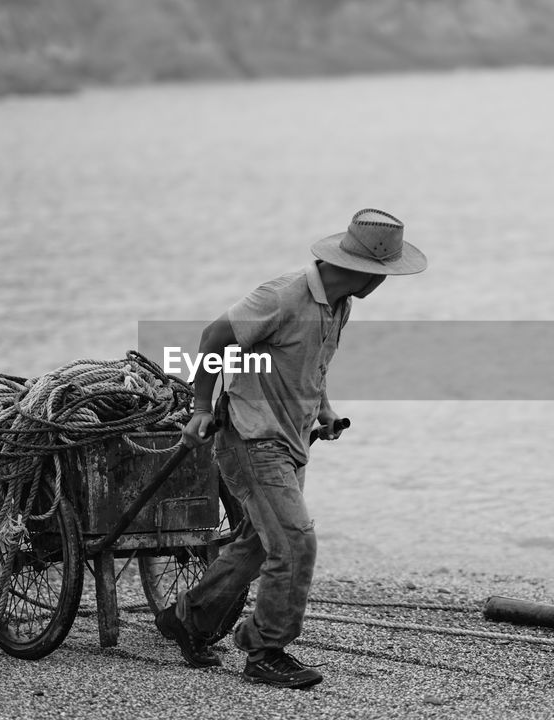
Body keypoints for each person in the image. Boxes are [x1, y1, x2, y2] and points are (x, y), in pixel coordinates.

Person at [155, 208, 428, 689]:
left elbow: (308, 364)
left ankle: (190, 619)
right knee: (297, 543)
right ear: (363, 270)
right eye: (383, 275)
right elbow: (215, 337)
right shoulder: (282, 296)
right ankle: (265, 650)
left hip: (292, 439)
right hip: (252, 439)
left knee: (261, 543)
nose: (384, 284)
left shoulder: (340, 304)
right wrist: (200, 408)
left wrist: (323, 410)